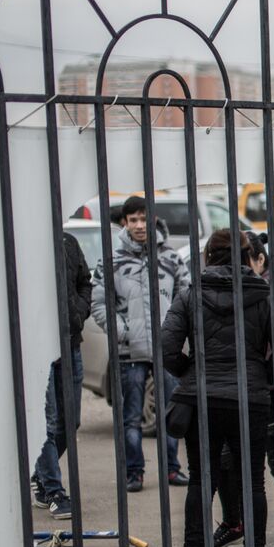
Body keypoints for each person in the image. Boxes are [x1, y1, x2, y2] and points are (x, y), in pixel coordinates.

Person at [161, 229, 274, 547]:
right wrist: (262, 374)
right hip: (249, 400)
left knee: (200, 479)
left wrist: (191, 372)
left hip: (202, 400)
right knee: (253, 482)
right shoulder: (264, 295)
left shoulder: (190, 294)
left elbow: (166, 347)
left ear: (208, 256)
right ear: (245, 256)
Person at [212, 231, 274, 547]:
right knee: (226, 461)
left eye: (246, 261)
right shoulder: (246, 289)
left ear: (260, 259)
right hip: (248, 393)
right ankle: (235, 522)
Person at [92, 196, 189, 492]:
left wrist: (175, 332)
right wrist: (121, 331)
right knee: (130, 417)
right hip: (129, 352)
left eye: (143, 219)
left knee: (172, 413)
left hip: (166, 351)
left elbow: (186, 297)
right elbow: (99, 303)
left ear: (153, 220)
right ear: (125, 222)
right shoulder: (111, 261)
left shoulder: (171, 258)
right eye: (133, 220)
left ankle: (172, 469)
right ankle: (134, 472)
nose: (138, 225)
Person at [31, 231, 92, 519]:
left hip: (69, 344)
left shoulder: (67, 241)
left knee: (71, 420)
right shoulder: (21, 241)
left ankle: (40, 473)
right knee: (48, 422)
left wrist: (79, 311)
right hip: (34, 348)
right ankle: (54, 491)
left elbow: (84, 282)